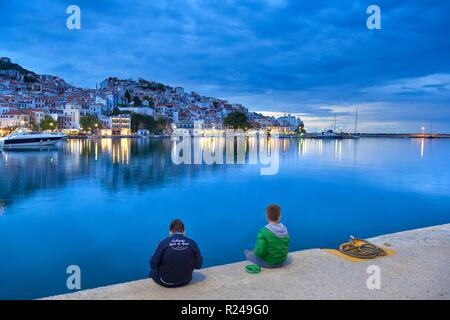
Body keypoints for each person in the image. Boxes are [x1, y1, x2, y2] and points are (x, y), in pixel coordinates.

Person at [150, 219, 203, 287]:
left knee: (152, 272)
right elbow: (199, 265)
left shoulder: (163, 242)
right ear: (184, 231)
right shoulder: (192, 242)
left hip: (166, 282)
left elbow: (153, 264)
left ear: (170, 231)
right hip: (186, 280)